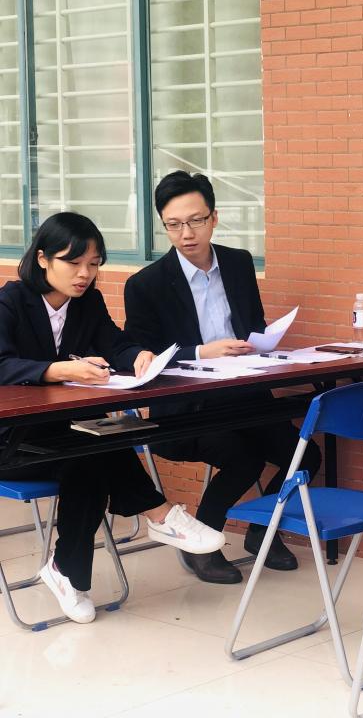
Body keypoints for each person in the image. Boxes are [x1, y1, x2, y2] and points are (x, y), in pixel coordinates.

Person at [0, 212, 225, 623]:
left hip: (64, 436)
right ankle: (159, 514)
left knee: (91, 454)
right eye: (74, 263)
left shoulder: (88, 302)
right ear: (43, 258)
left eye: (93, 264)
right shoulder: (10, 302)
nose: (85, 274)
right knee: (94, 447)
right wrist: (57, 370)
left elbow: (116, 344)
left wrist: (137, 356)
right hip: (11, 441)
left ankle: (66, 571)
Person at [124, 171, 321, 584]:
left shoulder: (238, 263)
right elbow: (141, 356)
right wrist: (200, 352)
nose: (186, 233)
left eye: (195, 221)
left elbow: (253, 324)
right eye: (174, 225)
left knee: (305, 454)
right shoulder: (146, 285)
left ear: (214, 218)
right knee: (244, 457)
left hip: (244, 396)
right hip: (185, 410)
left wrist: (261, 344)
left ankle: (263, 532)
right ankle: (203, 543)